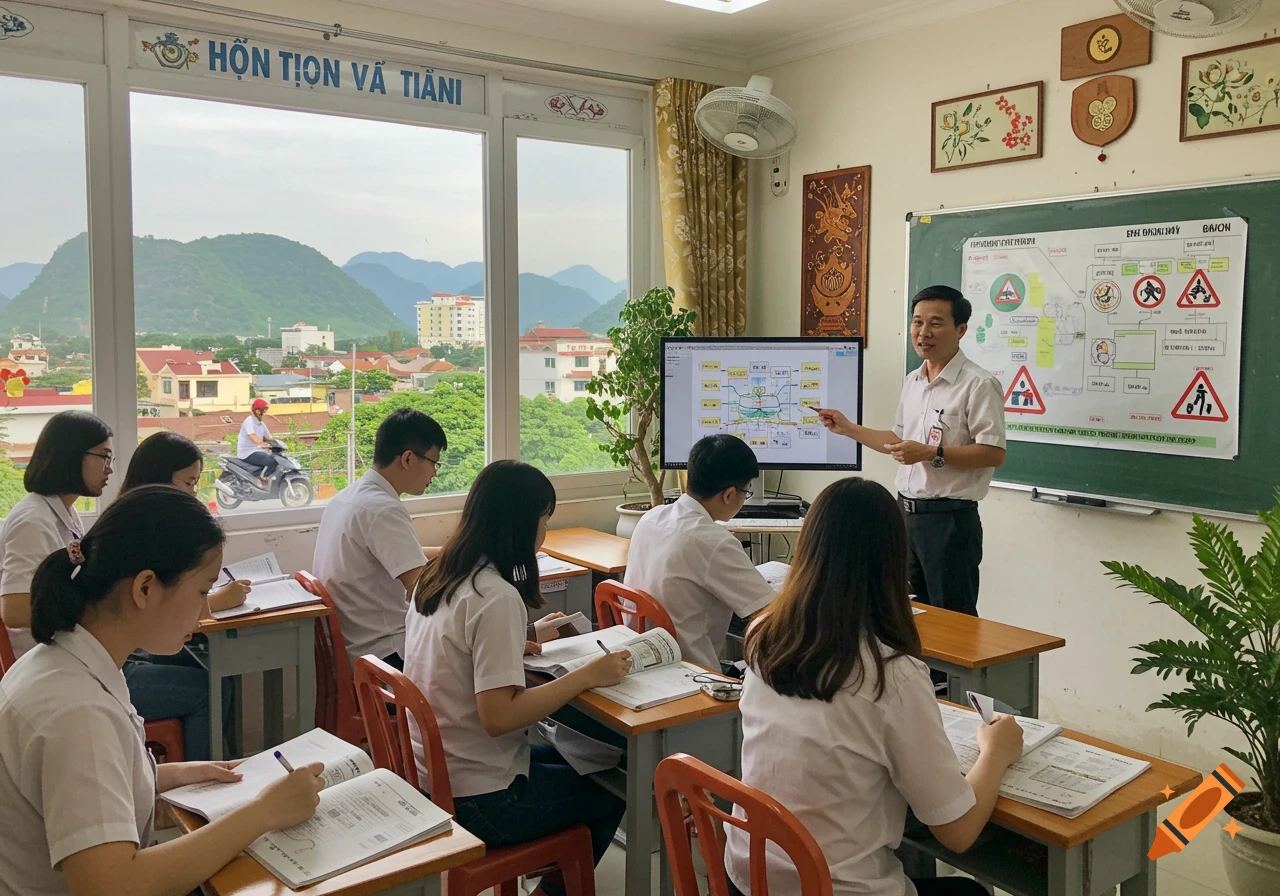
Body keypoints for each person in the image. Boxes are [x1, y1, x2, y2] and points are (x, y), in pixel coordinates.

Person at [0, 485, 326, 896]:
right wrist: (262, 813)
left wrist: (168, 776)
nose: (206, 613)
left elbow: (81, 793)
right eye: (202, 591)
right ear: (145, 588)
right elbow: (114, 886)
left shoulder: (67, 662)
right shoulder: (76, 712)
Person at [724, 477, 1024, 896]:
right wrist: (995, 752)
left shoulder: (763, 636)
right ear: (893, 561)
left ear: (808, 548)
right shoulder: (891, 676)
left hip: (750, 878)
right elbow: (958, 833)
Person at [405, 460, 629, 894]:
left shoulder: (437, 576)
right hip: (484, 800)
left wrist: (519, 640)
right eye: (544, 519)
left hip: (433, 776)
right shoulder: (495, 595)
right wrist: (586, 675)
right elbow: (499, 717)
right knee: (615, 790)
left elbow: (456, 652)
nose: (544, 530)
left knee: (587, 763)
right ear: (523, 524)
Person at [817, 285, 1006, 616]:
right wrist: (848, 428)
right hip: (904, 517)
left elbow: (993, 453)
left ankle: (944, 673)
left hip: (950, 522)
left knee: (952, 622)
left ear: (960, 329)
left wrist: (931, 453)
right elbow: (898, 440)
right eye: (917, 322)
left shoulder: (978, 384)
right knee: (903, 615)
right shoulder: (913, 381)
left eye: (935, 323)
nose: (923, 333)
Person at [118, 431, 247, 760]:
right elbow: (179, 610)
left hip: (129, 654)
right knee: (211, 690)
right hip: (123, 665)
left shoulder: (127, 516)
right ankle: (202, 782)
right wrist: (216, 600)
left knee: (216, 674)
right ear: (160, 478)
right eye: (189, 483)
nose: (193, 493)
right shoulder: (149, 529)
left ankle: (214, 768)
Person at [624, 433, 775, 670]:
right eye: (747, 491)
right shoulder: (714, 542)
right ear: (729, 495)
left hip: (641, 661)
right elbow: (771, 614)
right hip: (693, 675)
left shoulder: (651, 518)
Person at [313, 408, 446, 670]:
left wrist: (454, 551)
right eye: (434, 462)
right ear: (408, 458)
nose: (435, 473)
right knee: (479, 662)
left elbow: (401, 555)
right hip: (385, 655)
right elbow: (420, 589)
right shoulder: (383, 509)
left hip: (355, 649)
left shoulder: (350, 497)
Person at [1, 410, 113, 662]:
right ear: (71, 456)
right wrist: (96, 611)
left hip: (74, 652)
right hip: (49, 664)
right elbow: (16, 610)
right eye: (104, 458)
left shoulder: (63, 512)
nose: (110, 469)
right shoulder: (33, 521)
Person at [236, 398, 278, 479]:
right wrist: (263, 444)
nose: (265, 412)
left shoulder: (261, 424)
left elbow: (269, 438)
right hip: (247, 453)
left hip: (258, 451)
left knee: (277, 459)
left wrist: (276, 444)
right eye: (263, 409)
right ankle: (262, 480)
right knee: (271, 461)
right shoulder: (249, 421)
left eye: (265, 409)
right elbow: (252, 435)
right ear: (257, 411)